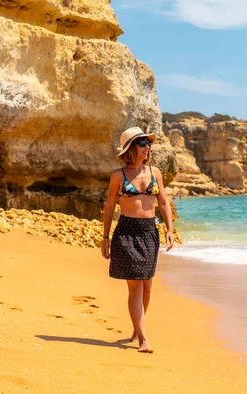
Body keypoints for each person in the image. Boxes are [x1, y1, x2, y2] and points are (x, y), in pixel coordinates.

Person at [101, 126, 175, 354]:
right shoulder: (118, 176)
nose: (147, 147)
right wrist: (105, 237)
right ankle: (143, 338)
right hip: (126, 232)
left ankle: (136, 327)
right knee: (135, 288)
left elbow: (163, 203)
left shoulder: (155, 173)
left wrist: (170, 229)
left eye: (148, 143)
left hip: (149, 232)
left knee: (148, 286)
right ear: (131, 148)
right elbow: (110, 206)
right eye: (143, 143)